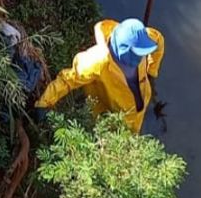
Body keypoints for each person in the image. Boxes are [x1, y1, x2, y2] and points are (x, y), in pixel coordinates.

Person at [35, 18, 164, 133]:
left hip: (138, 108)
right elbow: (69, 79)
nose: (141, 57)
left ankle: (135, 131)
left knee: (135, 131)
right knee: (118, 138)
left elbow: (158, 40)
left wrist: (151, 70)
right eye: (138, 53)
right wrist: (45, 103)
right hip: (110, 111)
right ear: (124, 53)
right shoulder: (98, 61)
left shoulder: (141, 36)